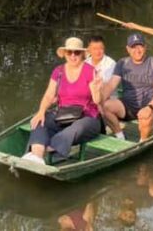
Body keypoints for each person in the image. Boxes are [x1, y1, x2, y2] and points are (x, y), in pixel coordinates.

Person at [23, 37, 102, 165]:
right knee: (39, 120)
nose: (72, 56)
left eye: (76, 52)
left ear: (82, 54)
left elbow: (97, 100)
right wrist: (41, 111)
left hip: (87, 118)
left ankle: (50, 148)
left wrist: (97, 89)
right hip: (63, 115)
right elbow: (49, 95)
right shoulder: (58, 71)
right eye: (69, 52)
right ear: (64, 54)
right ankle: (37, 156)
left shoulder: (90, 71)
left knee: (77, 127)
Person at [101, 33, 153, 142]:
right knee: (104, 106)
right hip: (129, 105)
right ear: (128, 49)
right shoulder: (122, 63)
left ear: (145, 47)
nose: (137, 50)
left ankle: (142, 142)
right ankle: (120, 136)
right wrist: (99, 100)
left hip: (152, 106)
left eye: (140, 46)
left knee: (145, 117)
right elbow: (111, 84)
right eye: (133, 47)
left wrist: (149, 107)